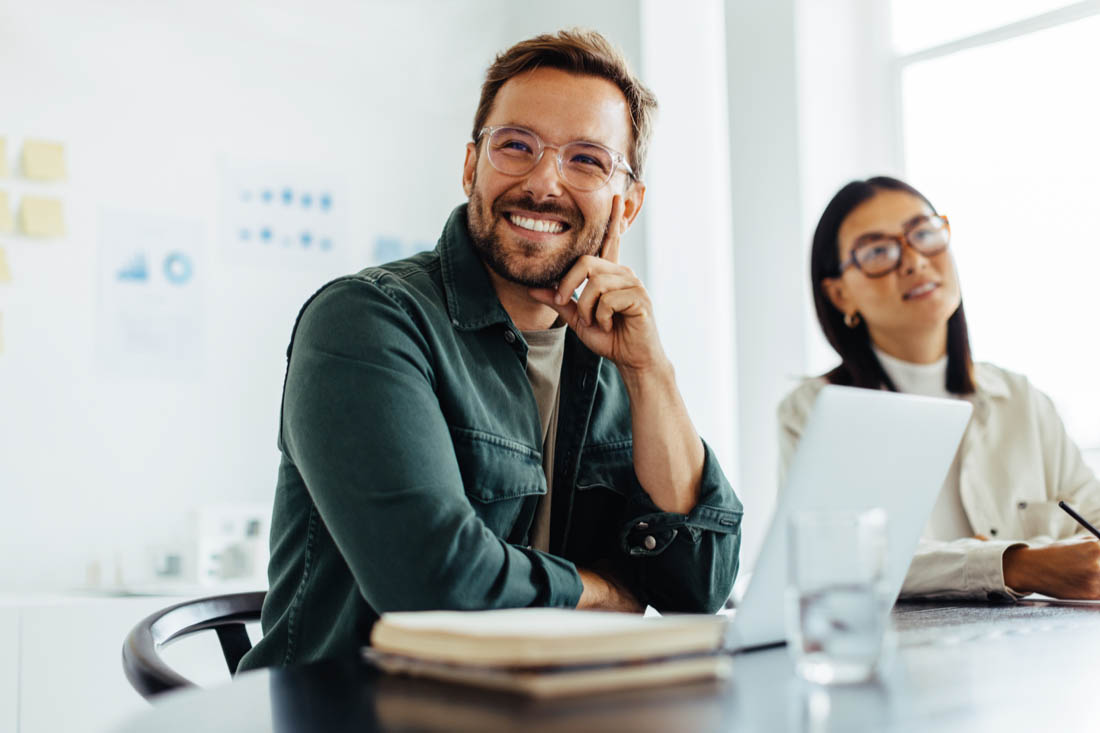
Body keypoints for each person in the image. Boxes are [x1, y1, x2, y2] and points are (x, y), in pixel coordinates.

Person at [238, 29, 743, 671]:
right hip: (359, 713)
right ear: (472, 166)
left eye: (586, 160)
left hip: (549, 708)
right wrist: (605, 592)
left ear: (628, 203)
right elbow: (433, 583)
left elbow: (700, 586)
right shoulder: (366, 321)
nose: (543, 183)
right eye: (517, 147)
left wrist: (650, 372)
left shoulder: (616, 354)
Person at [778, 176, 1100, 601]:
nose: (913, 261)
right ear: (839, 294)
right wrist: (1015, 566)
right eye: (878, 251)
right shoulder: (814, 411)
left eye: (924, 234)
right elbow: (835, 561)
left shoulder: (1022, 400)